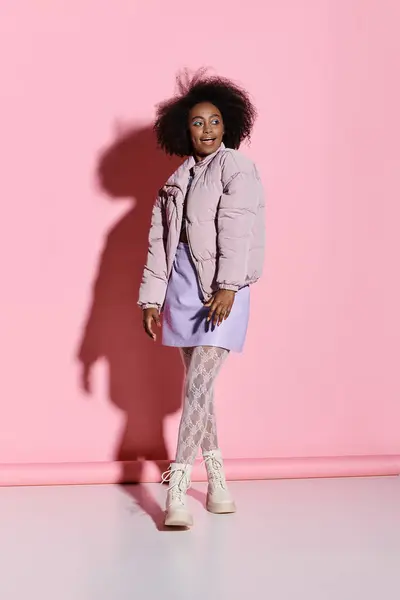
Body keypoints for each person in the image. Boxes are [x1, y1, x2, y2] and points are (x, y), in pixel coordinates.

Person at [138, 71, 265, 528]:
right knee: (201, 390)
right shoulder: (174, 182)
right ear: (183, 129)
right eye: (197, 122)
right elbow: (159, 246)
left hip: (221, 290)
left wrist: (229, 287)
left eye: (214, 121)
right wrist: (150, 300)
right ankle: (217, 481)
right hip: (183, 290)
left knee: (196, 386)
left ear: (228, 125)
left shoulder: (237, 168)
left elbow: (237, 228)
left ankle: (176, 487)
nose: (207, 129)